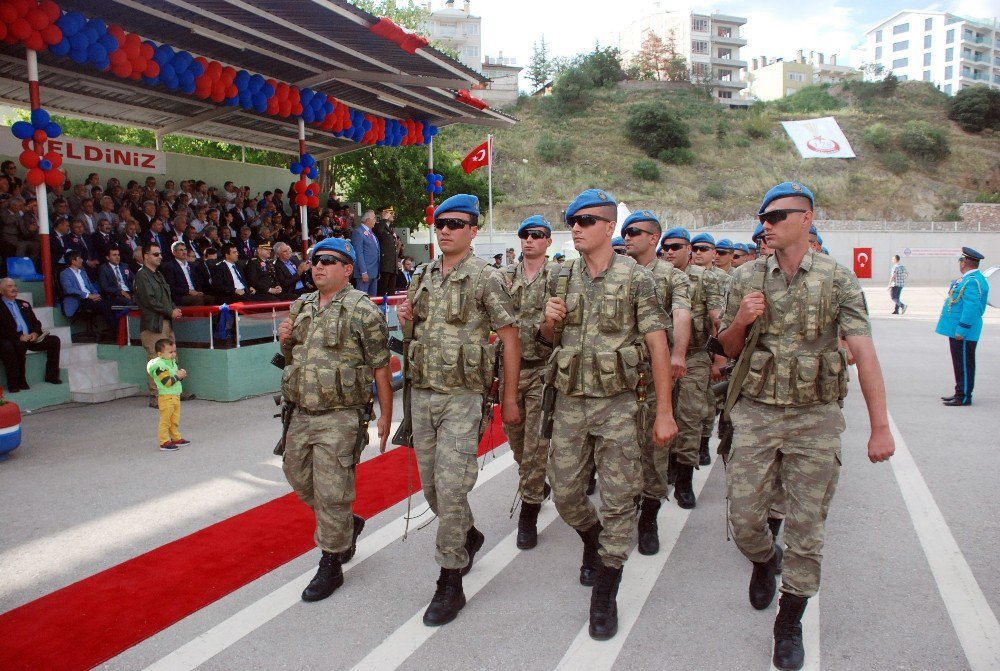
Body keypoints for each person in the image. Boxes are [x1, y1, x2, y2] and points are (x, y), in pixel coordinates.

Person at [716, 181, 894, 670]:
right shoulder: (746, 278)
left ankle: (788, 621)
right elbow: (726, 350)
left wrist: (880, 427)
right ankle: (763, 558)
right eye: (763, 218)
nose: (766, 225)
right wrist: (740, 322)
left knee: (807, 527)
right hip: (756, 411)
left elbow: (864, 354)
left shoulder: (837, 280)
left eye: (776, 217)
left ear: (806, 218)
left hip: (815, 419)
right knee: (745, 519)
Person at [539, 189, 677, 640]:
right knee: (565, 495)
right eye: (571, 220)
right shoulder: (560, 277)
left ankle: (605, 590)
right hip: (571, 404)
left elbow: (658, 346)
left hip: (618, 406)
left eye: (585, 220)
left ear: (607, 227)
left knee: (619, 500)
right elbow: (546, 339)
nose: (575, 227)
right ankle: (592, 542)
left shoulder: (638, 279)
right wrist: (548, 320)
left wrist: (664, 413)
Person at [395, 193, 522, 627]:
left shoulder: (486, 277)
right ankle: (469, 533)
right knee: (432, 489)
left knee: (450, 489)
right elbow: (415, 331)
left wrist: (508, 398)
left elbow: (509, 338)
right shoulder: (424, 273)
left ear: (472, 230)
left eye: (455, 223)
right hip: (423, 394)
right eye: (439, 222)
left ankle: (450, 580)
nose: (444, 229)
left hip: (463, 399)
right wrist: (404, 318)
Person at [276, 237, 394, 602]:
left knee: (331, 490)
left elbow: (380, 368)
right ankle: (345, 524)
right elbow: (292, 355)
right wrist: (284, 339)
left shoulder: (363, 310)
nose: (319, 266)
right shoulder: (302, 305)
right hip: (300, 412)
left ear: (347, 270)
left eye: (329, 261)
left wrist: (386, 417)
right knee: (296, 474)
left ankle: (331, 562)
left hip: (341, 415)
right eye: (315, 260)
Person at [622, 210, 691, 555]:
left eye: (636, 231)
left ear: (654, 239)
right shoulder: (616, 272)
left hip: (652, 377)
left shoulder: (671, 277)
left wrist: (678, 353)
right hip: (617, 379)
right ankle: (623, 509)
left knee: (653, 450)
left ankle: (649, 514)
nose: (628, 237)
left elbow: (681, 313)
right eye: (624, 231)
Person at [501, 215, 558, 550]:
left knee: (536, 445)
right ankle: (536, 483)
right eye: (524, 234)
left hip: (543, 371)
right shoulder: (504, 276)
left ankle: (529, 512)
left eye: (537, 235)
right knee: (518, 442)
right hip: (510, 372)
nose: (529, 240)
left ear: (548, 241)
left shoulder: (559, 277)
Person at [660, 227, 725, 509]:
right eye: (666, 247)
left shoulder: (706, 279)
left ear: (689, 250)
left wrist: (720, 360)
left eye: (677, 246)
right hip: (661, 356)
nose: (670, 251)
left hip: (696, 355)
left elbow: (716, 318)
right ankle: (668, 464)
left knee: (689, 413)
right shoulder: (656, 276)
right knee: (662, 412)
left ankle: (684, 478)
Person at [690, 232, 731, 467]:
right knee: (697, 402)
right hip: (693, 349)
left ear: (714, 253)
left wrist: (719, 357)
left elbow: (721, 321)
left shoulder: (722, 280)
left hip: (709, 349)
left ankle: (704, 441)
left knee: (708, 400)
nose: (698, 252)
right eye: (694, 248)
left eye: (703, 249)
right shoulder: (684, 277)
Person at [936, 247, 989, 406]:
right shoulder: (969, 279)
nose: (960, 263)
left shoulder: (972, 281)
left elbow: (971, 309)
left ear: (965, 262)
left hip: (964, 331)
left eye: (961, 260)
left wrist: (962, 329)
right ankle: (960, 392)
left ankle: (964, 396)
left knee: (965, 364)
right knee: (960, 363)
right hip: (958, 330)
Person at [134, 243, 183, 408]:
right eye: (155, 254)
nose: (159, 256)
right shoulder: (142, 276)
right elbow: (150, 301)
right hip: (153, 324)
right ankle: (156, 397)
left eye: (160, 254)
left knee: (171, 358)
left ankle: (174, 392)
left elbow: (166, 297)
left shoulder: (159, 275)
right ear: (145, 256)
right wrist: (170, 311)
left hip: (165, 322)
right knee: (156, 361)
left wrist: (173, 308)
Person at [0, 277, 61, 391]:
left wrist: (35, 333)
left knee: (54, 340)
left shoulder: (24, 304)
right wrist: (19, 337)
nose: (14, 288)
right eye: (9, 286)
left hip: (30, 338)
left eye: (15, 286)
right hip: (11, 338)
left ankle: (51, 376)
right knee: (16, 346)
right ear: (1, 290)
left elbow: (36, 322)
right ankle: (17, 381)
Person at [146, 338, 190, 451]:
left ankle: (175, 438)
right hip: (166, 397)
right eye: (170, 352)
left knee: (174, 419)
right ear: (160, 354)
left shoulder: (171, 363)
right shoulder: (160, 367)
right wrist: (178, 376)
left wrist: (181, 376)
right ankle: (164, 442)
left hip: (175, 396)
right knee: (165, 421)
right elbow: (167, 382)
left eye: (174, 351)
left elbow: (174, 380)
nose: (173, 354)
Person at [59, 251, 116, 332]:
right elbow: (69, 289)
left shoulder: (83, 272)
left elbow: (90, 286)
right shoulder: (64, 273)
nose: (82, 260)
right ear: (73, 261)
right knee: (104, 306)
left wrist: (96, 295)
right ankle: (114, 330)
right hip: (78, 299)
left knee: (111, 303)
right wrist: (88, 295)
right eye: (79, 258)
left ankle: (115, 329)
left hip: (91, 297)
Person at [162, 241, 211, 306]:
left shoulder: (192, 265)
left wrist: (198, 292)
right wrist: (189, 292)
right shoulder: (170, 267)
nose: (184, 252)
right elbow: (171, 287)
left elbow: (198, 282)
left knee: (211, 299)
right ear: (174, 252)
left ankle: (210, 316)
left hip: (195, 293)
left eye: (185, 249)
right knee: (198, 299)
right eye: (181, 250)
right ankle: (199, 316)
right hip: (181, 296)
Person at [350, 210, 380, 296]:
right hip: (364, 273)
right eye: (374, 218)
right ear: (367, 220)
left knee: (372, 301)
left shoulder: (372, 233)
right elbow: (359, 253)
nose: (375, 221)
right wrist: (363, 272)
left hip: (374, 272)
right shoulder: (358, 232)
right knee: (362, 300)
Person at [375, 205, 398, 296]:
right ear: (384, 214)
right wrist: (383, 219)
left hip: (392, 265)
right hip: (385, 266)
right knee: (382, 291)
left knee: (391, 293)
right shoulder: (379, 226)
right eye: (391, 213)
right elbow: (378, 232)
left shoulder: (390, 229)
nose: (393, 215)